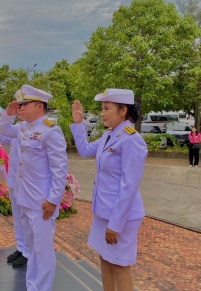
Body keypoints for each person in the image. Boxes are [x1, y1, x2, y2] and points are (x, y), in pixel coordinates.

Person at [70, 89, 147, 291]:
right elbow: (85, 150)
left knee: (120, 265)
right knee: (104, 259)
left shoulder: (131, 139)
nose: (102, 113)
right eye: (102, 108)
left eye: (106, 108)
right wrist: (79, 124)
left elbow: (129, 185)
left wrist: (115, 223)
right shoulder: (108, 136)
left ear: (123, 111)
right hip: (104, 211)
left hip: (121, 216)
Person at [0, 85, 68, 291]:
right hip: (24, 198)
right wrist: (7, 115)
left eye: (25, 104)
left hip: (42, 202)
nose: (21, 108)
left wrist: (53, 200)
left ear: (39, 106)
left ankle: (43, 288)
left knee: (43, 251)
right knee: (31, 250)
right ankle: (32, 287)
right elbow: (4, 130)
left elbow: (59, 169)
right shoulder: (24, 128)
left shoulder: (50, 131)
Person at [0, 91, 29, 268]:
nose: (20, 110)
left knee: (26, 218)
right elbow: (5, 138)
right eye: (19, 106)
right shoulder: (20, 127)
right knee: (18, 216)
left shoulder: (36, 128)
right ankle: (21, 247)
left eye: (23, 106)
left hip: (28, 182)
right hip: (15, 178)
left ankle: (28, 251)